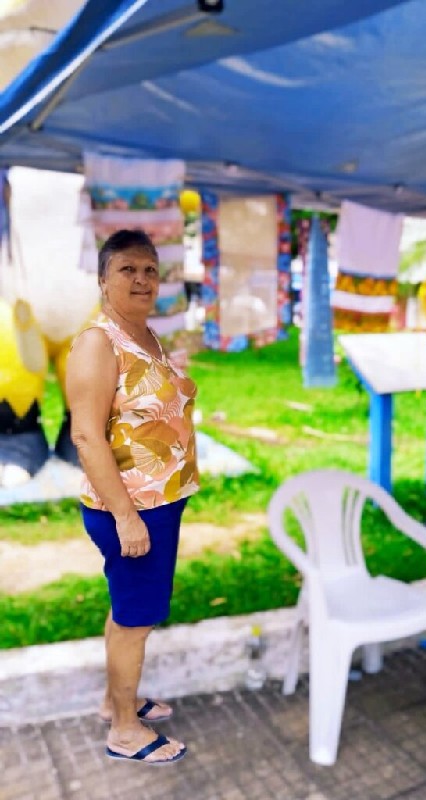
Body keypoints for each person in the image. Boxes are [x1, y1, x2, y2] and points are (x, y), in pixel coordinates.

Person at [66, 228, 198, 765]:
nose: (141, 279)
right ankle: (124, 730)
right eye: (127, 269)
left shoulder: (144, 335)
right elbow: (85, 436)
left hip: (156, 505)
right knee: (136, 619)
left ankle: (113, 701)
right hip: (131, 510)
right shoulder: (98, 343)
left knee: (127, 608)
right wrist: (126, 517)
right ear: (103, 280)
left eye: (149, 270)